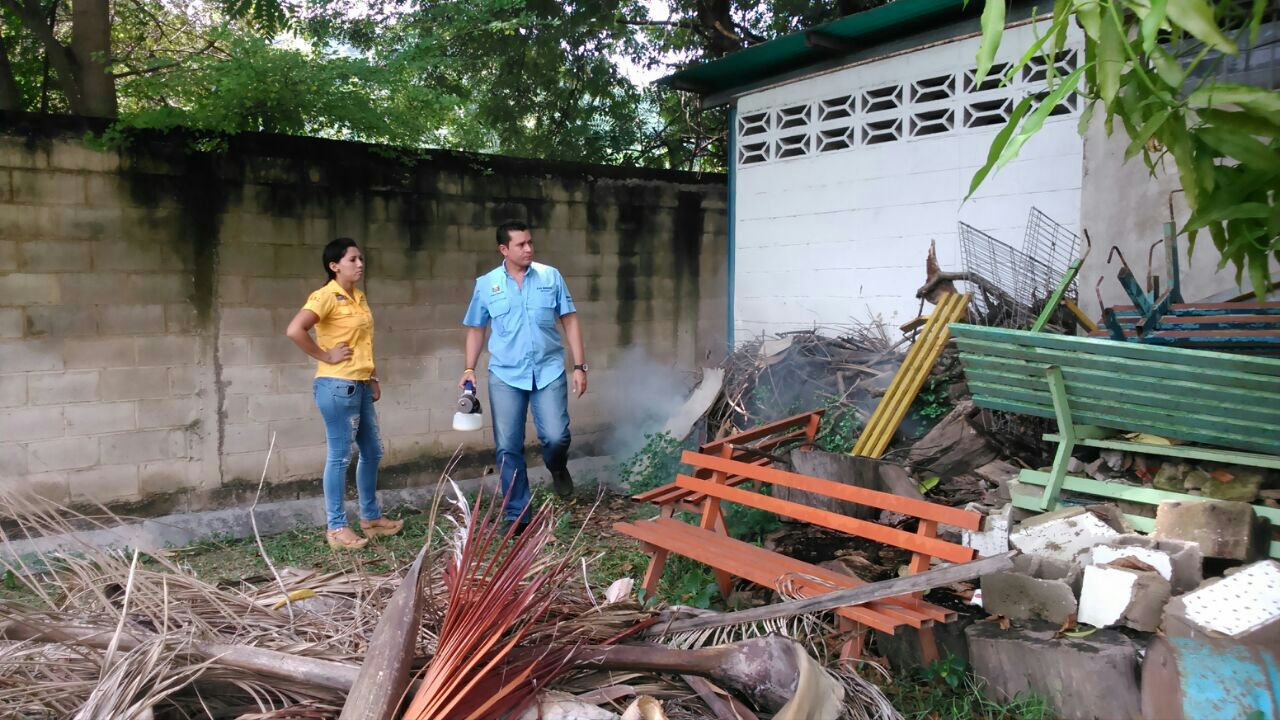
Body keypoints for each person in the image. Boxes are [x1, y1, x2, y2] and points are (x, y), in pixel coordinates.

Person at [461, 220, 588, 532]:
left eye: (530, 242)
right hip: (505, 374)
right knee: (508, 447)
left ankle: (557, 467)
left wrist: (580, 366)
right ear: (504, 249)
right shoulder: (487, 284)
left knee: (557, 437)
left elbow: (569, 320)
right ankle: (518, 515)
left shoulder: (550, 276)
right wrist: (468, 369)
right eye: (521, 244)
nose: (529, 248)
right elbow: (477, 329)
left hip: (548, 370)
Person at [286, 238, 403, 549]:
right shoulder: (325, 296)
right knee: (339, 457)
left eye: (361, 258)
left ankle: (371, 519)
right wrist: (325, 355)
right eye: (353, 260)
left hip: (361, 384)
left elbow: (364, 344)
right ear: (334, 266)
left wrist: (373, 378)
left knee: (372, 451)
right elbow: (295, 330)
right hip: (336, 386)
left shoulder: (359, 297)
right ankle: (337, 528)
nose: (360, 264)